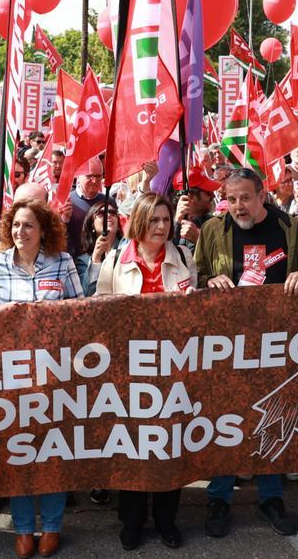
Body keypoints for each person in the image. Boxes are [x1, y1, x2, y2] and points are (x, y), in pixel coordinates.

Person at [194, 168, 298, 538]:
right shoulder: (213, 231)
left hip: (277, 345)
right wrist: (210, 282)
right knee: (226, 419)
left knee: (273, 418)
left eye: (245, 198)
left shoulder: (292, 229)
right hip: (228, 345)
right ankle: (219, 496)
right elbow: (198, 275)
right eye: (231, 199)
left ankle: (271, 497)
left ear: (262, 195)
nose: (238, 206)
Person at [95, 193, 195, 550]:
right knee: (131, 447)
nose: (161, 227)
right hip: (129, 373)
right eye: (153, 220)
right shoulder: (115, 262)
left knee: (170, 445)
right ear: (138, 221)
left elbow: (195, 311)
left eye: (166, 220)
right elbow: (99, 312)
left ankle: (167, 519)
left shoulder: (183, 257)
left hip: (172, 370)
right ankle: (132, 520)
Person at [0, 199, 82, 558]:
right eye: (15, 225)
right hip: (11, 375)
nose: (20, 232)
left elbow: (79, 312)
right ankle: (24, 528)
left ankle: (52, 526)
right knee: (20, 452)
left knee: (52, 450)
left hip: (55, 372)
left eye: (28, 226)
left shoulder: (63, 263)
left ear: (44, 231)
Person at [73, 200, 122, 296]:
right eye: (101, 213)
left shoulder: (128, 250)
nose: (108, 215)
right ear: (92, 225)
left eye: (112, 212)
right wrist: (95, 260)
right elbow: (87, 294)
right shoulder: (83, 261)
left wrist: (112, 256)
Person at [66, 157, 111, 256]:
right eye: (89, 176)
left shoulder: (108, 202)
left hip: (101, 261)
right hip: (74, 262)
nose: (94, 181)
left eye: (98, 176)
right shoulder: (67, 202)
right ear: (78, 176)